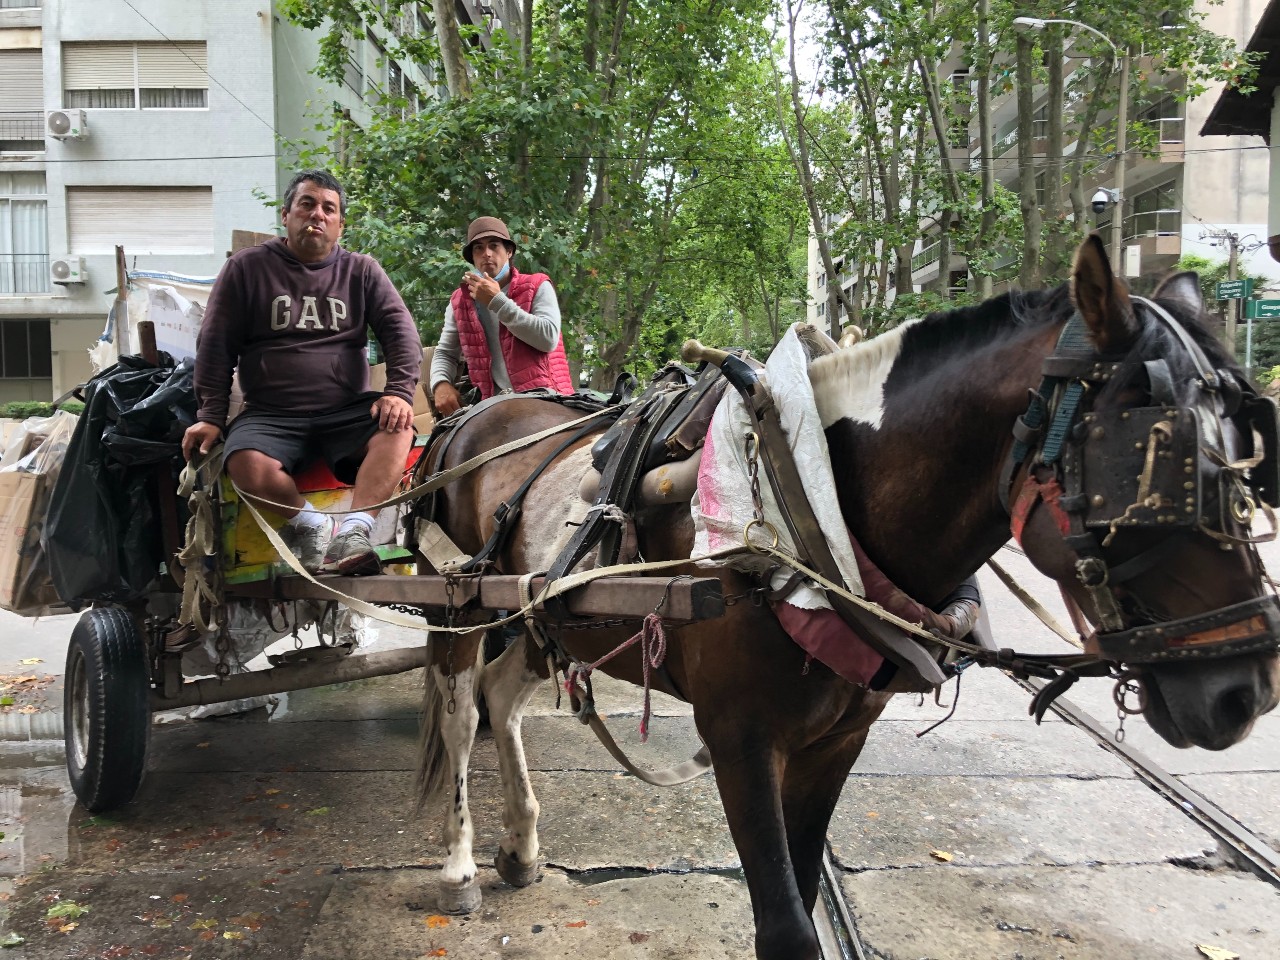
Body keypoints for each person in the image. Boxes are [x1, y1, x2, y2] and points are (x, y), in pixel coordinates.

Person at [181, 170, 422, 576]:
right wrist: (209, 415)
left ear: (340, 225)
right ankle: (309, 526)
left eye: (329, 209)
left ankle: (355, 530)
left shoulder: (362, 271)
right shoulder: (247, 268)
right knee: (244, 462)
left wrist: (398, 391)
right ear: (286, 214)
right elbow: (215, 345)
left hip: (345, 409)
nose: (317, 215)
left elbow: (402, 333)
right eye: (307, 204)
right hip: (272, 413)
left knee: (398, 430)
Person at [430, 216, 572, 416]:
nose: (486, 253)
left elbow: (548, 339)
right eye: (478, 248)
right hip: (494, 410)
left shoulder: (538, 285)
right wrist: (440, 383)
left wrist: (496, 301)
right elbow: (446, 352)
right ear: (473, 257)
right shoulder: (460, 301)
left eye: (494, 246)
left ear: (509, 251)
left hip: (548, 403)